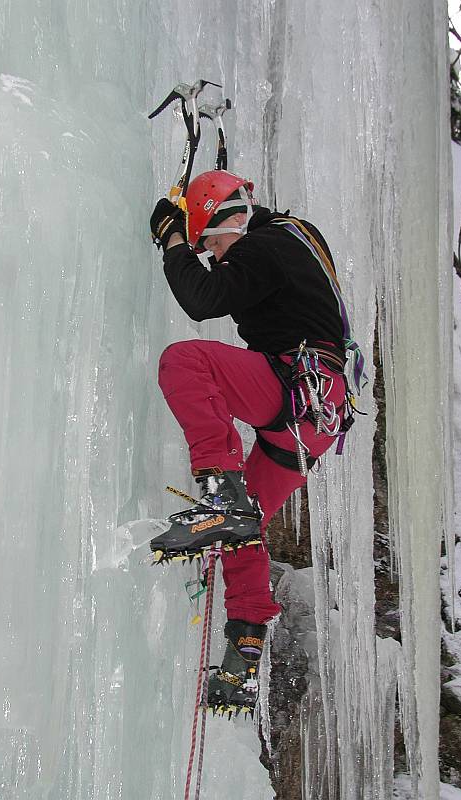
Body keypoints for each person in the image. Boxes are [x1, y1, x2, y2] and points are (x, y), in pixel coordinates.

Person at [148, 170, 360, 715]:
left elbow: (202, 299)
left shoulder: (266, 244)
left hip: (297, 385)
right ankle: (243, 654)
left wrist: (173, 240)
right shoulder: (293, 237)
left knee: (185, 360)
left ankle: (221, 492)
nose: (214, 256)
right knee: (248, 530)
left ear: (233, 218)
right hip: (317, 414)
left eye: (212, 242)